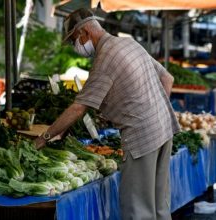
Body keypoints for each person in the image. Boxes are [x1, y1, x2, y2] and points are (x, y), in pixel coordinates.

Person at [34, 8, 180, 220]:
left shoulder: (104, 59)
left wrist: (45, 137)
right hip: (165, 130)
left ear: (84, 32)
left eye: (74, 40)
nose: (77, 46)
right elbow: (168, 78)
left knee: (138, 211)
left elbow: (78, 108)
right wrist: (154, 110)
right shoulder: (128, 43)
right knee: (159, 208)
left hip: (141, 139)